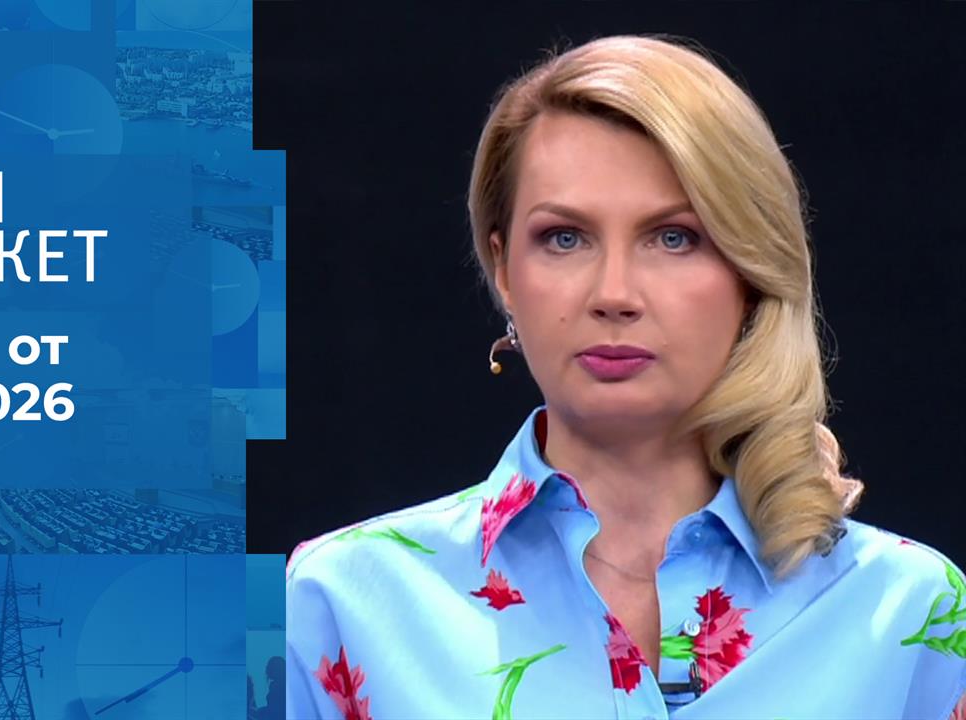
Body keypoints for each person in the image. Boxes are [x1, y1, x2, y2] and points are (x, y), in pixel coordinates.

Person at [285, 34, 966, 720]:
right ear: (504, 270)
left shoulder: (910, 615)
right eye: (564, 238)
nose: (614, 294)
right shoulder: (340, 604)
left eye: (674, 238)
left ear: (752, 272)